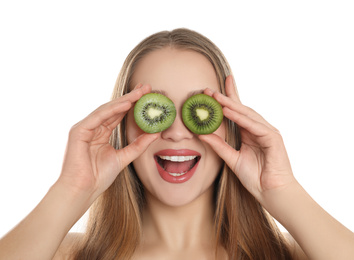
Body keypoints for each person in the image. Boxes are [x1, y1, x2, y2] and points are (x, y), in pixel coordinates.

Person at [0, 28, 353, 260]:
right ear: (122, 125)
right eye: (157, 111)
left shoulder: (297, 254)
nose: (178, 132)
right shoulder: (65, 255)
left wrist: (283, 191)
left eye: (199, 109)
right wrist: (70, 190)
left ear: (231, 126)